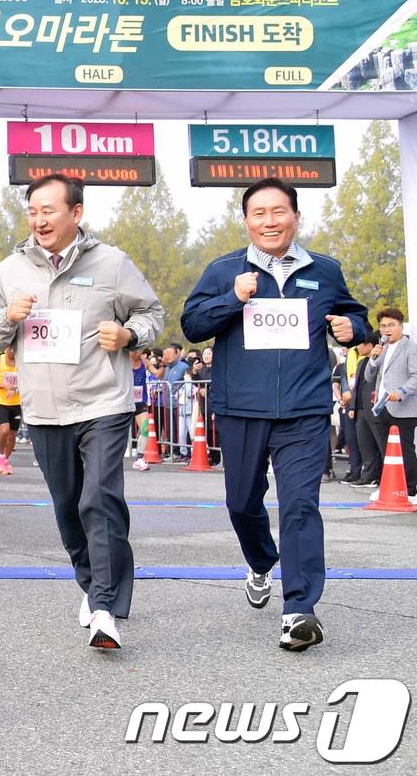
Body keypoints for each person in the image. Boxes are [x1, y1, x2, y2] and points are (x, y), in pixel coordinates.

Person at [0, 173, 163, 650]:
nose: (39, 220)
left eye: (49, 210)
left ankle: (105, 606)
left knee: (99, 499)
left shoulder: (112, 263)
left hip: (102, 400)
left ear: (75, 214)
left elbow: (152, 315)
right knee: (68, 507)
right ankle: (91, 580)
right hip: (43, 409)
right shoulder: (9, 270)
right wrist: (7, 318)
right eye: (33, 211)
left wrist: (128, 336)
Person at [182, 177, 369, 652]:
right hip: (243, 408)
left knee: (301, 506)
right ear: (247, 222)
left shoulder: (323, 270)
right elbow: (193, 324)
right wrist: (233, 298)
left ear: (296, 217)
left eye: (279, 211)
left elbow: (354, 315)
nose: (270, 221)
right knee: (242, 503)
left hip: (304, 411)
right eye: (259, 213)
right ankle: (262, 560)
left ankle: (299, 610)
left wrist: (352, 328)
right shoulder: (225, 270)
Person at [366, 307, 417, 503]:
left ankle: (411, 489)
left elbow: (415, 376)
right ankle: (387, 485)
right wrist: (373, 358)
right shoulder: (382, 348)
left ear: (401, 327)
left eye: (391, 325)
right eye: (383, 326)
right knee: (384, 449)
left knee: (405, 449)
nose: (387, 330)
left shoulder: (410, 348)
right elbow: (369, 376)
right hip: (381, 406)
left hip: (402, 407)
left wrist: (402, 392)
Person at [345, 332, 384, 487]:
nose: (358, 347)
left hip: (375, 408)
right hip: (360, 409)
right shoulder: (361, 363)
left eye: (361, 344)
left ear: (370, 346)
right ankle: (368, 475)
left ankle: (381, 475)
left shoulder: (379, 362)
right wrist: (353, 407)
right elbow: (356, 389)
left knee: (380, 443)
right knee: (364, 444)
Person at [0, 344, 22, 475]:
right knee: (4, 429)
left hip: (17, 402)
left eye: (15, 349)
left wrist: (15, 389)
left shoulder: (21, 361)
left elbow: (29, 380)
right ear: (5, 348)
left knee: (12, 435)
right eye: (10, 348)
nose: (12, 351)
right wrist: (3, 385)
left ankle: (4, 460)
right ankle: (1, 455)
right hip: (1, 401)